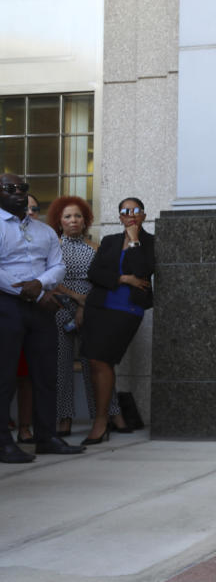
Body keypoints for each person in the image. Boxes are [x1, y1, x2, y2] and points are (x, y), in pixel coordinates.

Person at [0, 173, 86, 463]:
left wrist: (40, 284)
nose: (18, 193)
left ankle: (46, 436)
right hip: (7, 305)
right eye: (10, 189)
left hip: (41, 308)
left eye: (22, 188)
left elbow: (58, 266)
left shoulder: (44, 231)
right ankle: (2, 443)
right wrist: (35, 292)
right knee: (5, 376)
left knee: (46, 373)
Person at [46, 196, 130, 437]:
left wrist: (86, 304)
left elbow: (102, 281)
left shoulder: (97, 248)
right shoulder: (53, 248)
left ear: (85, 221)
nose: (73, 220)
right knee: (61, 365)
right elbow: (51, 279)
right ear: (59, 222)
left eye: (78, 216)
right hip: (60, 307)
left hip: (93, 309)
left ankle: (110, 413)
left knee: (96, 363)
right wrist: (76, 298)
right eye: (68, 217)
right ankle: (64, 417)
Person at [80, 197, 154, 445]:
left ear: (143, 215)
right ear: (119, 216)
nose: (130, 214)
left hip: (127, 310)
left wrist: (134, 241)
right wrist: (124, 279)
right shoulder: (110, 241)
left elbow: (143, 270)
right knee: (95, 361)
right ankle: (111, 415)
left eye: (135, 210)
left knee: (102, 359)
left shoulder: (151, 242)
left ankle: (102, 421)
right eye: (125, 211)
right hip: (99, 307)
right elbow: (95, 273)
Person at [13, 194, 42, 443]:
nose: (30, 212)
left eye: (34, 208)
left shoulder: (44, 236)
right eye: (26, 208)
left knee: (26, 376)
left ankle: (25, 428)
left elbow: (55, 269)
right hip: (8, 306)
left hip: (35, 310)